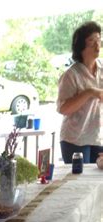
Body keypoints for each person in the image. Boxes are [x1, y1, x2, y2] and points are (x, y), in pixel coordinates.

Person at [57, 21, 103, 164]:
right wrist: (90, 92)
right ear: (81, 46)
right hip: (74, 140)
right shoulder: (71, 74)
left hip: (97, 137)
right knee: (78, 183)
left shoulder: (101, 69)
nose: (97, 44)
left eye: (99, 39)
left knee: (98, 182)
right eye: (92, 40)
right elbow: (63, 108)